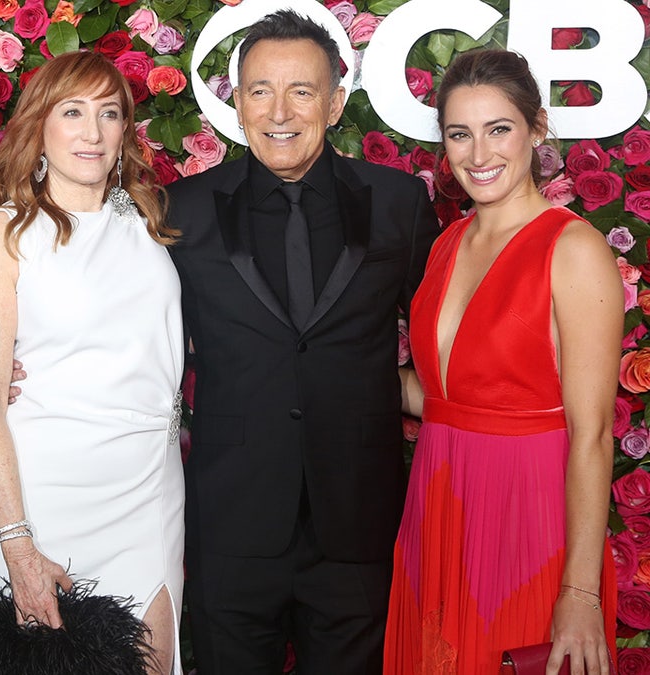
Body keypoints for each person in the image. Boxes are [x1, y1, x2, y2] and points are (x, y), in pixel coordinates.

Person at [166, 9, 441, 673]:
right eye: (260, 90)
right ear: (237, 102)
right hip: (230, 525)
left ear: (337, 101)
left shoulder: (399, 203)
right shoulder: (182, 209)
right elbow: (133, 334)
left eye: (302, 90)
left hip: (356, 523)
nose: (279, 111)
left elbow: (446, 339)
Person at [383, 48, 620, 674]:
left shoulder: (573, 249)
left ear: (537, 129)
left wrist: (581, 591)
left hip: (529, 517)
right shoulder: (448, 243)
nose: (479, 155)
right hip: (440, 505)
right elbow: (437, 395)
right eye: (460, 134)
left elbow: (593, 434)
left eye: (500, 129)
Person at [0, 50, 185, 675]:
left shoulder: (146, 220)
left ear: (124, 131)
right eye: (73, 112)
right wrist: (17, 544)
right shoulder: (4, 233)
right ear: (41, 126)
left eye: (109, 114)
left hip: (149, 493)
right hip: (46, 503)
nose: (92, 131)